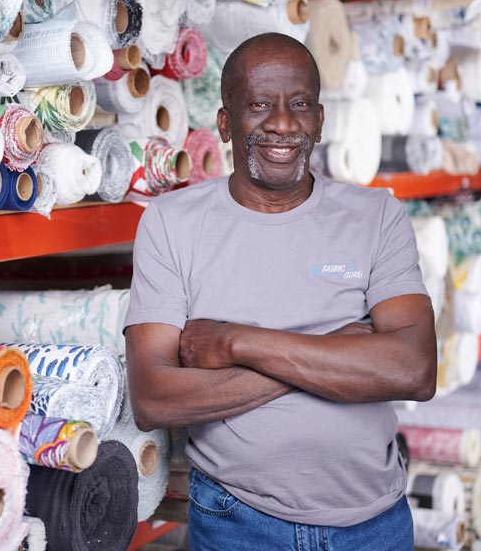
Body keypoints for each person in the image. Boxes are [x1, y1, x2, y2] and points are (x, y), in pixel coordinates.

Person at [123, 33, 438, 551]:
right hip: (237, 521)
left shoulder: (377, 216)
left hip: (374, 524)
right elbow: (153, 397)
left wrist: (236, 342)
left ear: (320, 120)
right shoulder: (170, 223)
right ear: (225, 123)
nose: (283, 124)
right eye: (259, 105)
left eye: (300, 105)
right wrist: (337, 352)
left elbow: (414, 370)